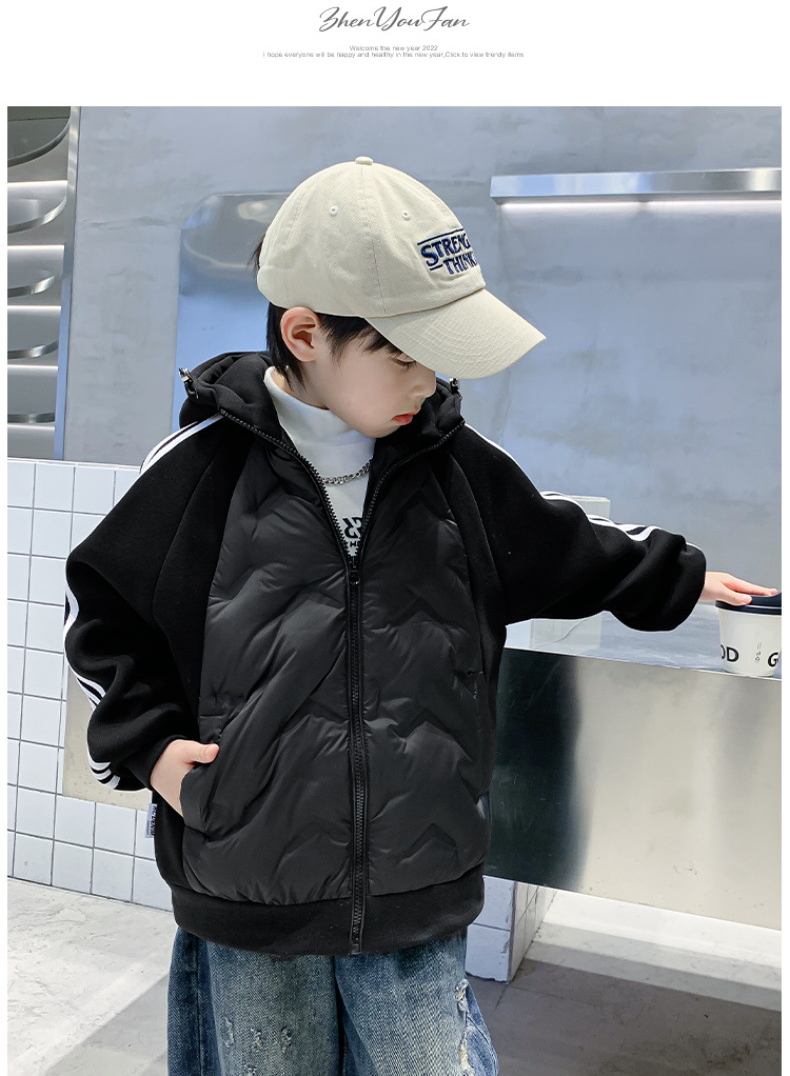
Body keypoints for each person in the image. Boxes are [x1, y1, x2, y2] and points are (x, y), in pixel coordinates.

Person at [62, 156, 776, 1076]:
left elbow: (560, 549)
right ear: (306, 333)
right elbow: (103, 619)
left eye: (435, 353)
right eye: (401, 353)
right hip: (248, 884)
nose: (425, 380)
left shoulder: (453, 465)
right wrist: (151, 747)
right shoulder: (200, 473)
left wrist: (686, 576)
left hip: (418, 875)